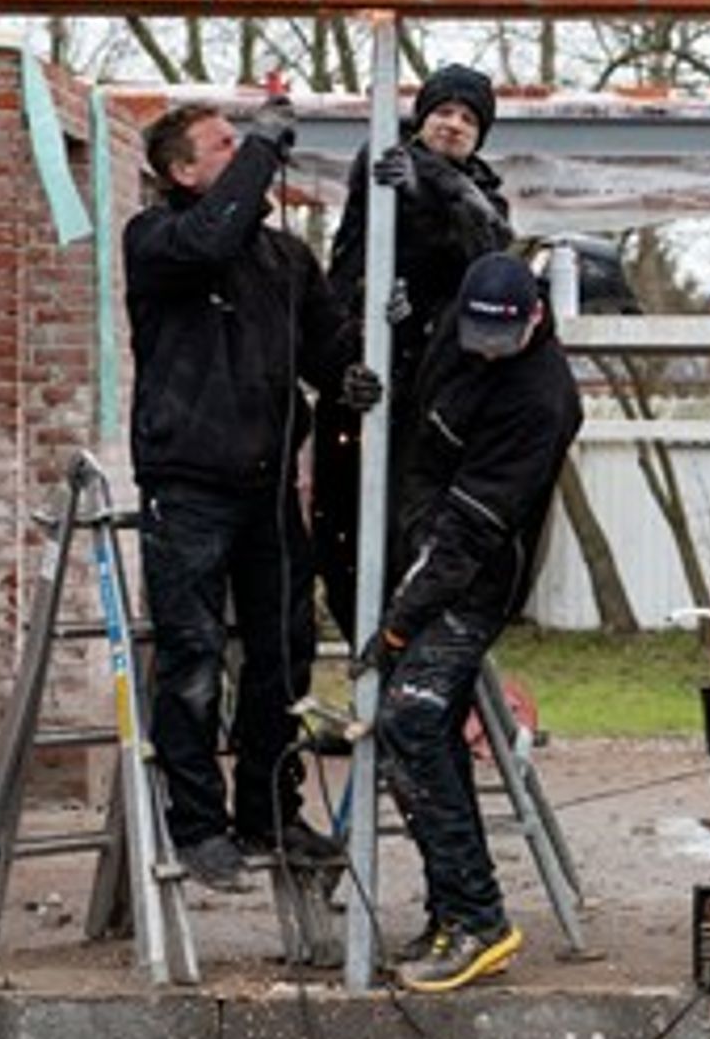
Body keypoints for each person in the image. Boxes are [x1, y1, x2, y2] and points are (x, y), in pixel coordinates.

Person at [125, 98, 380, 893]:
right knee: (195, 657)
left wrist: (355, 367)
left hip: (269, 491)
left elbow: (326, 346)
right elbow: (212, 235)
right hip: (190, 486)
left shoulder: (280, 260)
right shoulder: (161, 241)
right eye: (224, 145)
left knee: (282, 658)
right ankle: (197, 823)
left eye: (245, 143)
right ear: (181, 171)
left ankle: (268, 812)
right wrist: (264, 149)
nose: (242, 155)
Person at [359, 252, 582, 991]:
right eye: (475, 335)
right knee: (405, 738)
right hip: (419, 542)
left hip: (473, 574)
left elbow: (471, 527)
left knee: (414, 719)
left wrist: (400, 619)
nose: (484, 352)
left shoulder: (542, 400)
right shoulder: (460, 324)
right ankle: (451, 907)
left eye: (500, 341)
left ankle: (481, 917)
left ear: (535, 318)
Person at [313, 64, 514, 643]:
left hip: (434, 389)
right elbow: (350, 263)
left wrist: (436, 183)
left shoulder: (480, 194)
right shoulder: (380, 160)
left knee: (414, 531)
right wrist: (355, 346)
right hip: (368, 373)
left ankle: (408, 669)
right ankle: (365, 659)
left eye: (468, 118)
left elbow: (489, 246)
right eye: (443, 112)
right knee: (342, 534)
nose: (452, 125)